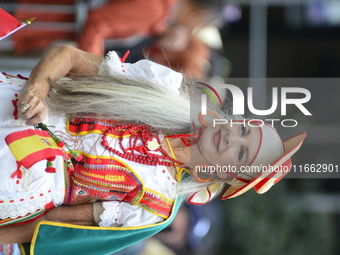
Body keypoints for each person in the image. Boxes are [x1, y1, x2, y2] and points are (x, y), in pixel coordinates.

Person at [0, 46, 306, 254]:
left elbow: (52, 224)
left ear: (225, 174)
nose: (231, 138)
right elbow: (68, 56)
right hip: (10, 105)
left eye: (242, 154)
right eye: (243, 130)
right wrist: (37, 88)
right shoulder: (165, 88)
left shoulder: (154, 208)